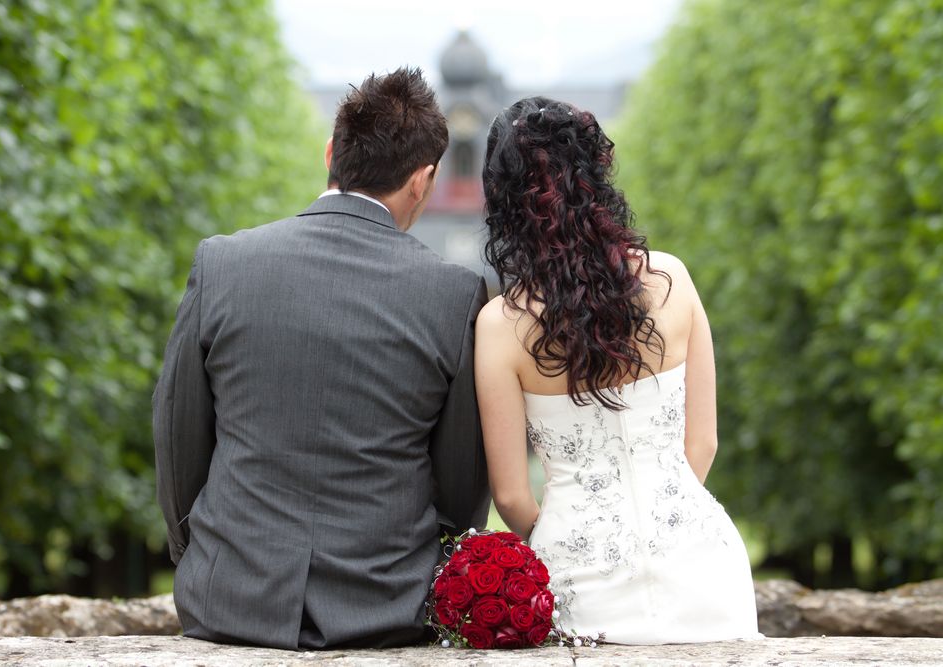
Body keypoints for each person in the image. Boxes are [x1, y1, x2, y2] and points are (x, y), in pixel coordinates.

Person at [153, 67, 490, 649]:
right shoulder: (455, 294)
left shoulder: (222, 264)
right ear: (423, 179)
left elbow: (179, 444)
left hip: (229, 599)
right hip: (389, 608)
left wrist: (208, 560)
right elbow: (461, 487)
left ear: (331, 152)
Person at [474, 96, 760, 643]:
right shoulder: (673, 280)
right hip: (703, 566)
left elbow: (510, 496)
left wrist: (577, 534)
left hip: (579, 580)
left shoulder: (499, 325)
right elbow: (702, 444)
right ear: (596, 176)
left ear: (505, 199)